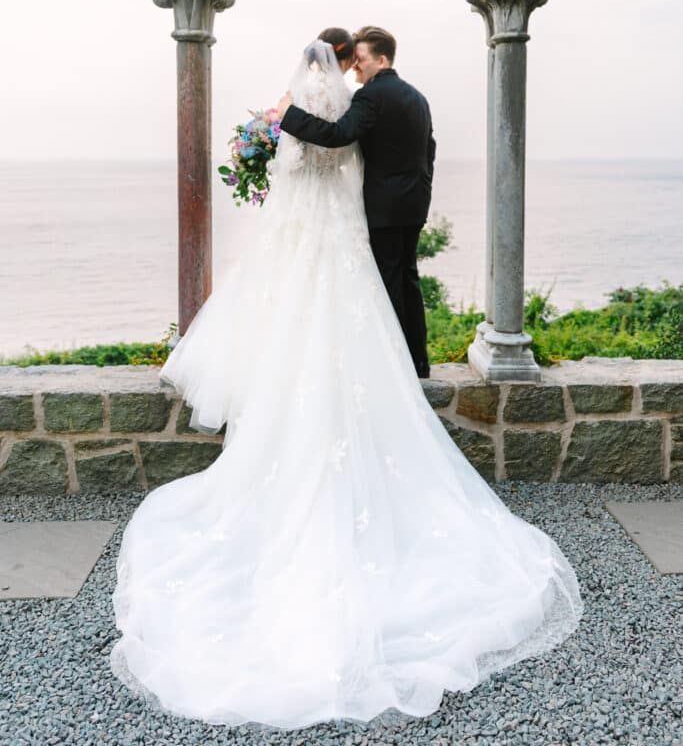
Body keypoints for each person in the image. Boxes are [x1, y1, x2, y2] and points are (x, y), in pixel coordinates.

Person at [109, 36, 582, 732]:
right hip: (360, 223)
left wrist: (279, 122)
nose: (351, 67)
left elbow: (327, 145)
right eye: (347, 58)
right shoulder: (399, 96)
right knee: (383, 302)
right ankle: (411, 367)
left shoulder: (348, 101)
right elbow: (399, 152)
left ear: (355, 58)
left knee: (325, 309)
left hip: (333, 222)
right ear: (341, 59)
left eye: (357, 58)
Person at [278, 26, 434, 378]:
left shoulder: (369, 96)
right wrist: (422, 191)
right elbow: (430, 149)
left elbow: (338, 135)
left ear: (382, 59)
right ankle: (418, 361)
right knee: (408, 280)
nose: (355, 66)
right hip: (414, 204)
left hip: (384, 206)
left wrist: (289, 115)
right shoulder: (417, 97)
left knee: (388, 282)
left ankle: (397, 366)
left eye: (361, 59)